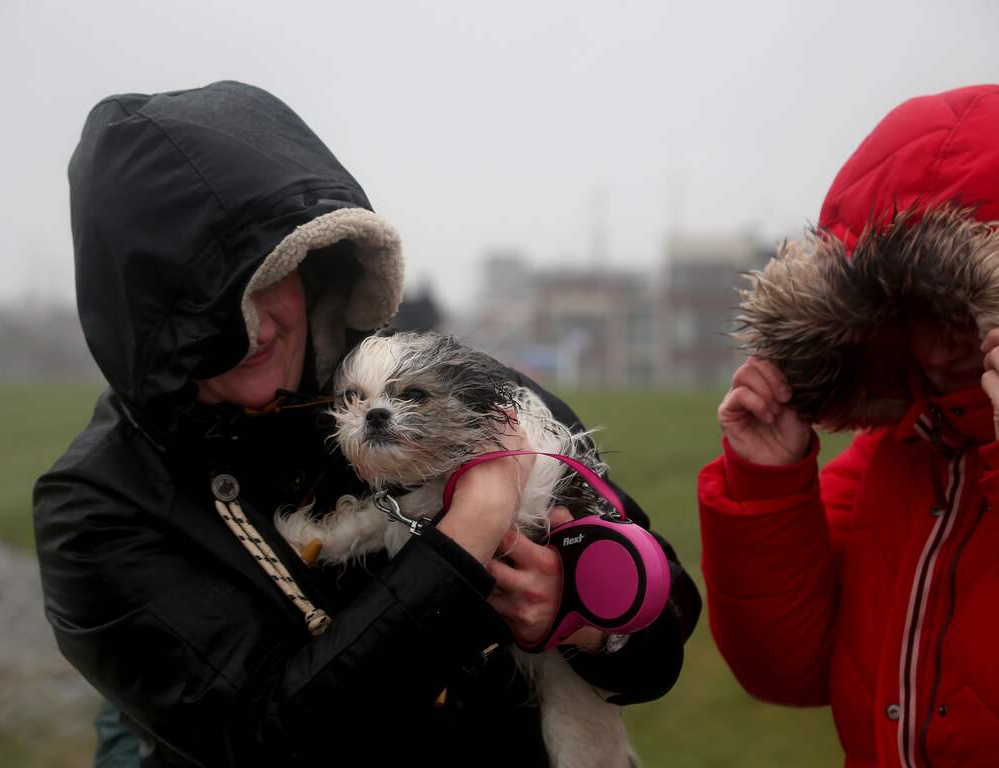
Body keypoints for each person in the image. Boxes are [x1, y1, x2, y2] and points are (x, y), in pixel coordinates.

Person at [34, 81, 701, 767]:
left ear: (315, 261)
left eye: (267, 276)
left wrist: (587, 623)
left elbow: (663, 631)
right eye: (203, 308)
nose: (255, 324)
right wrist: (473, 525)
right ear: (143, 326)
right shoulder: (98, 509)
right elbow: (263, 743)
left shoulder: (456, 388)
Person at [698, 83, 999, 767]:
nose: (939, 349)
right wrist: (768, 482)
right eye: (914, 316)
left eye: (967, 309)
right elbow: (787, 671)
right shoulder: (895, 453)